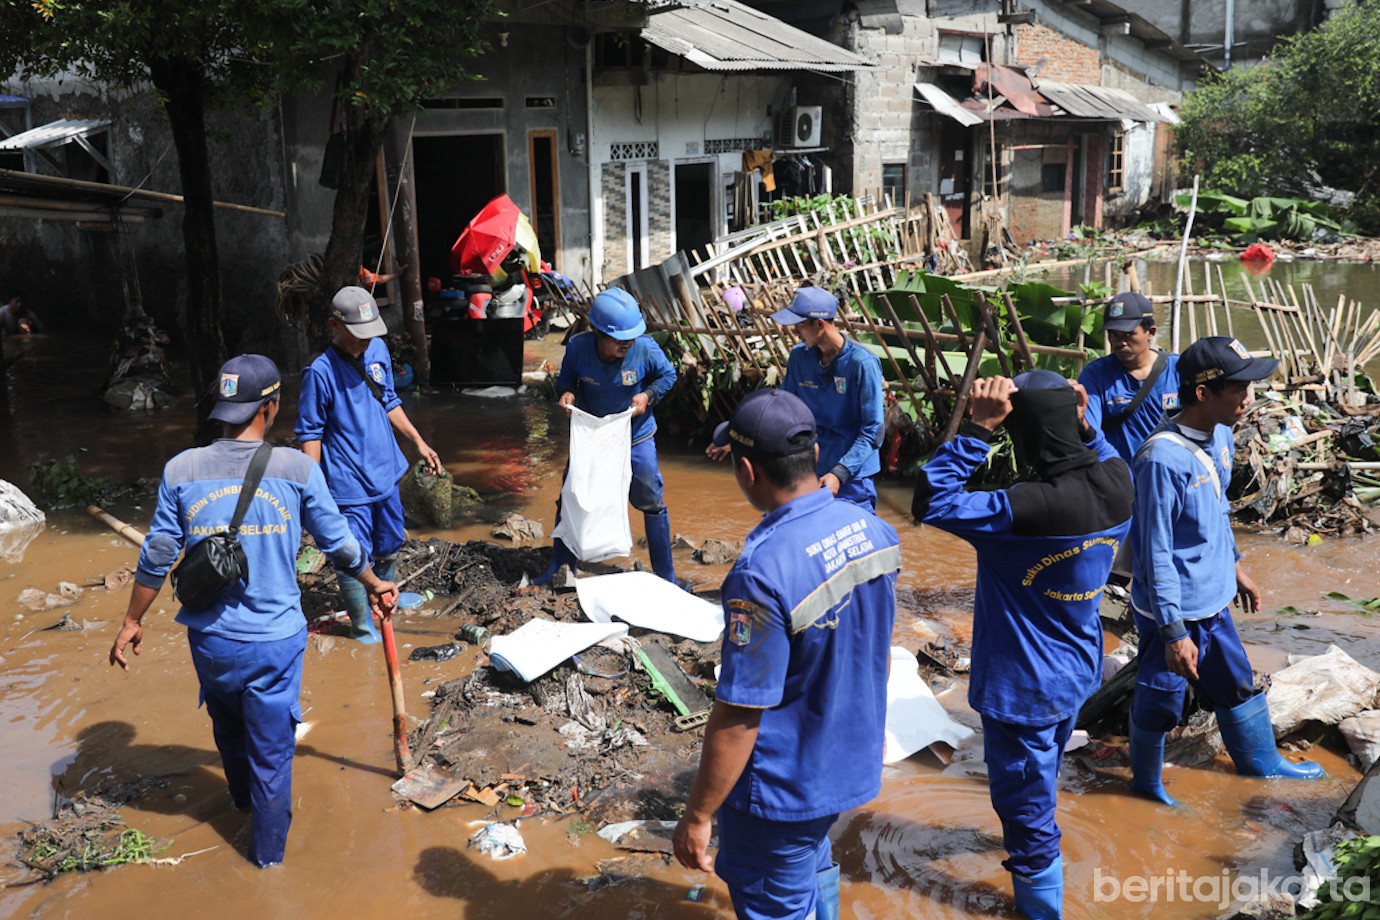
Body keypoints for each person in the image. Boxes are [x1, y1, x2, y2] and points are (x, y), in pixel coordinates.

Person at [108, 354, 398, 868]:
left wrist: (132, 621)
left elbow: (156, 555)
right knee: (272, 757)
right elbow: (339, 544)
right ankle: (268, 868)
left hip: (211, 642)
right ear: (272, 406)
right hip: (274, 643)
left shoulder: (181, 469)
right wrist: (374, 582)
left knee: (227, 727)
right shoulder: (297, 469)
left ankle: (239, 801)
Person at [911, 370, 1132, 920]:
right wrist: (1085, 421)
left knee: (1023, 806)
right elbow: (1097, 448)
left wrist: (978, 429)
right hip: (1079, 666)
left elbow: (932, 501)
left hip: (1022, 685)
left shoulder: (1020, 509)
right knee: (1043, 773)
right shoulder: (1119, 479)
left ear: (1023, 435)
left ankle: (1040, 902)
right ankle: (1040, 843)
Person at [673, 388, 901, 920]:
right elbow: (876, 651)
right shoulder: (873, 529)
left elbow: (741, 712)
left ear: (747, 470)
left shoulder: (760, 573)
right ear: (815, 455)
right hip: (849, 759)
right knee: (813, 857)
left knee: (776, 900)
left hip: (783, 786)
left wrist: (699, 814)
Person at [1128, 336, 1324, 805]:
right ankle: (1146, 785)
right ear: (1203, 394)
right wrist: (1174, 631)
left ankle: (1262, 763)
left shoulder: (1218, 433)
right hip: (1172, 609)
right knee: (1162, 698)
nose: (1248, 399)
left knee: (1235, 680)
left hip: (1213, 598)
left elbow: (1215, 512)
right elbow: (1154, 552)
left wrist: (1235, 565)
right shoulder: (1161, 460)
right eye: (1239, 389)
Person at [296, 285, 442, 643]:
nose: (365, 342)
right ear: (334, 325)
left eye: (369, 334)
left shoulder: (377, 348)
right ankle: (362, 624)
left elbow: (389, 399)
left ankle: (385, 591)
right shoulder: (320, 373)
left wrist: (419, 442)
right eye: (357, 335)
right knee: (352, 552)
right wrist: (313, 486)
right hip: (347, 482)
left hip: (385, 470)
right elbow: (310, 433)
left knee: (390, 541)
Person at [538, 287, 680, 585]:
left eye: (631, 337)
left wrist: (648, 395)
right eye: (620, 339)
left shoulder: (644, 348)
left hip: (634, 435)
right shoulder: (578, 348)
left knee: (650, 497)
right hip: (591, 436)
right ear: (599, 334)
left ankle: (667, 577)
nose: (627, 344)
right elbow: (566, 380)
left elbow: (668, 375)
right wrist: (566, 395)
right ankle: (561, 569)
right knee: (572, 495)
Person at [706, 287, 883, 510]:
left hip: (852, 475)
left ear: (819, 325)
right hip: (809, 470)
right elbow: (780, 408)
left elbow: (873, 431)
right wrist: (740, 435)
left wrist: (840, 473)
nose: (795, 332)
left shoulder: (862, 363)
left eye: (799, 326)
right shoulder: (800, 356)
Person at [1078, 291, 1179, 462]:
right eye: (1113, 334)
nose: (1120, 342)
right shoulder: (1096, 376)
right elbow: (1091, 434)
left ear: (1151, 332)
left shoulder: (1178, 370)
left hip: (1170, 476)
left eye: (1128, 334)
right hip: (1121, 481)